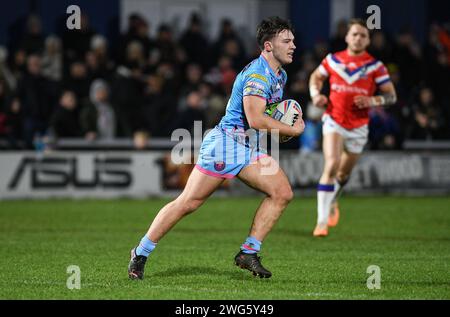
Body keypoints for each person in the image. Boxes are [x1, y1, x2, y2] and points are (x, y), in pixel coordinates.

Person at [128, 16, 304, 280]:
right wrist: (293, 129)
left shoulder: (280, 74)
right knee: (188, 203)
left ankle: (248, 252)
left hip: (247, 147)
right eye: (286, 41)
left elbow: (264, 117)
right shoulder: (258, 75)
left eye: (293, 40)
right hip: (225, 145)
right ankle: (140, 252)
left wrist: (281, 126)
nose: (293, 45)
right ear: (268, 46)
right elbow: (255, 118)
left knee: (282, 192)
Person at [309, 19, 397, 237]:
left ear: (368, 40)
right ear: (347, 37)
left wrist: (372, 101)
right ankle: (321, 223)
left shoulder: (375, 66)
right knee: (331, 164)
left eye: (363, 35)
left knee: (343, 174)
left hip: (359, 126)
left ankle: (333, 201)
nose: (358, 38)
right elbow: (316, 77)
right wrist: (315, 95)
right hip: (334, 119)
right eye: (354, 34)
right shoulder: (333, 60)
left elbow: (391, 96)